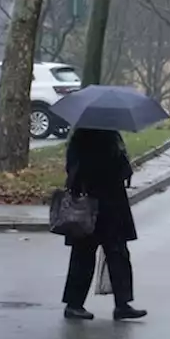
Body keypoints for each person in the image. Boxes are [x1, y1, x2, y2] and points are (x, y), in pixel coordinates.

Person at [61, 129, 147, 321]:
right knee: (87, 255)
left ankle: (121, 304)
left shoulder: (102, 135)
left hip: (109, 205)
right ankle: (75, 304)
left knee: (116, 254)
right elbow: (83, 169)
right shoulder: (89, 137)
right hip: (94, 204)